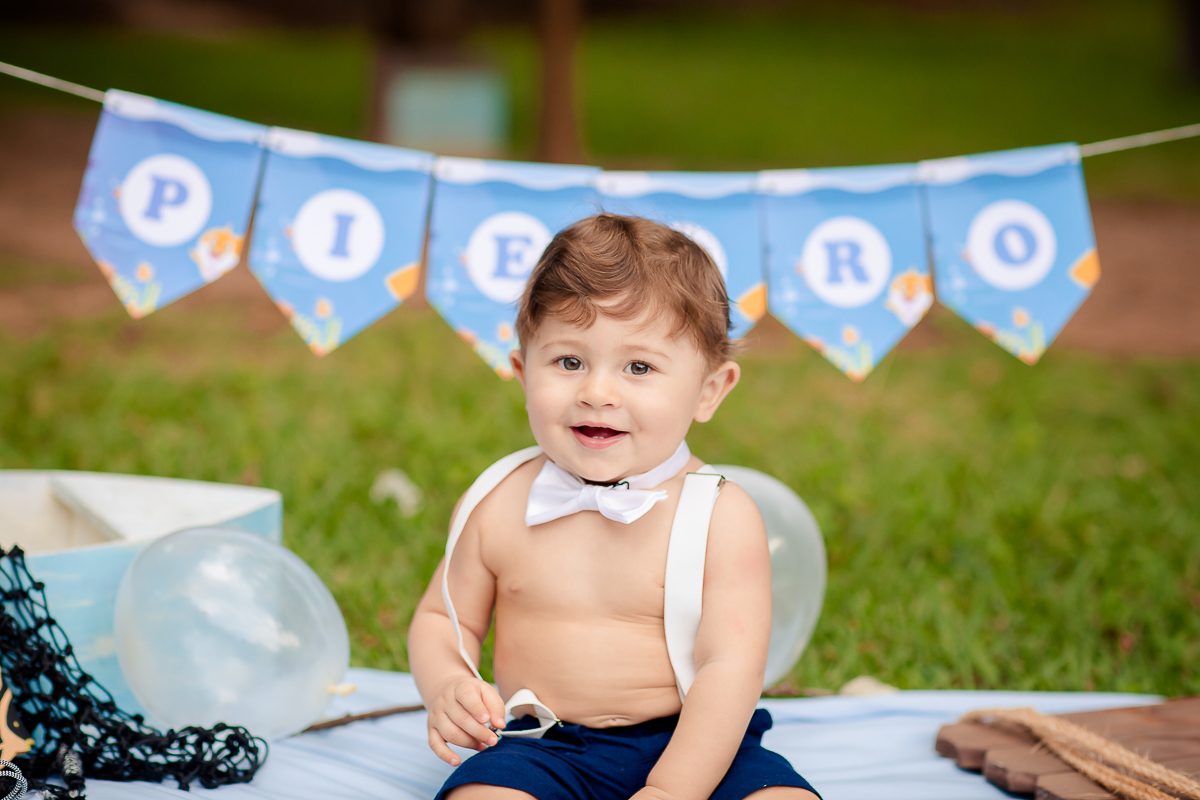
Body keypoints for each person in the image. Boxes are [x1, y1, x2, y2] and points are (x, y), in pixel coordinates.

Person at [408, 214, 819, 800]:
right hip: (541, 744)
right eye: (569, 362)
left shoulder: (721, 517)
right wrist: (449, 681)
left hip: (697, 740)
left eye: (639, 367)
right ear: (523, 372)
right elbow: (442, 619)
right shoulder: (496, 502)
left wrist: (674, 790)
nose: (598, 392)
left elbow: (730, 670)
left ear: (709, 391)